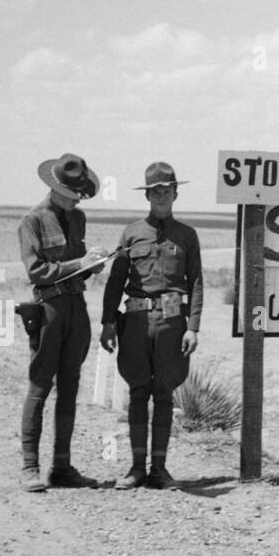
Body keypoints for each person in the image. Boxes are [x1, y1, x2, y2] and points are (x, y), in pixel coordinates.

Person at [100, 163, 202, 489]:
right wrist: (107, 323)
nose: (161, 195)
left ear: (176, 193)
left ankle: (159, 469)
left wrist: (194, 327)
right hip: (135, 323)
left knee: (164, 394)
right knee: (137, 392)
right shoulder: (131, 234)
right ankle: (135, 469)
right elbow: (115, 282)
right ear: (147, 195)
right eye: (155, 190)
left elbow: (197, 282)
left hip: (173, 324)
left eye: (166, 189)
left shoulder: (187, 236)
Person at [17, 153, 112, 492]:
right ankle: (30, 468)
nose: (78, 200)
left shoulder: (78, 218)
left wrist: (93, 264)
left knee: (70, 386)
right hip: (49, 308)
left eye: (81, 194)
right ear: (55, 188)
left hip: (76, 306)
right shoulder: (33, 221)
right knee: (40, 387)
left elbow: (78, 261)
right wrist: (79, 263)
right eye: (73, 194)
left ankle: (62, 467)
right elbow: (36, 272)